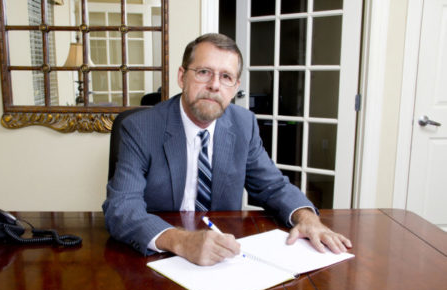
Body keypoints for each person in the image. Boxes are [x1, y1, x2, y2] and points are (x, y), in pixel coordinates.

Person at [103, 33, 352, 266]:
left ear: (235, 87)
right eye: (203, 72)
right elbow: (122, 207)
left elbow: (273, 186)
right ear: (182, 77)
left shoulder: (244, 125)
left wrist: (308, 219)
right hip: (160, 254)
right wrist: (180, 241)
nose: (214, 85)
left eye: (226, 77)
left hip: (224, 253)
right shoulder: (140, 128)